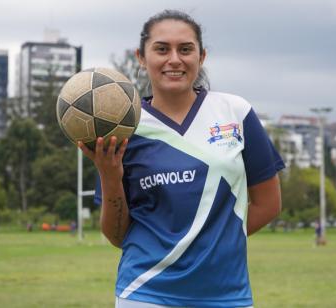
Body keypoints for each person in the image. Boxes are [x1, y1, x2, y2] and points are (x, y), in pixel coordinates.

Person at [78, 10, 285, 307]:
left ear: (201, 57)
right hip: (146, 290)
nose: (174, 59)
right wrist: (110, 176)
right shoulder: (124, 127)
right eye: (162, 49)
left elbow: (269, 204)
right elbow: (117, 235)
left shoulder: (235, 112)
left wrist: (211, 246)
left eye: (185, 49)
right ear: (141, 57)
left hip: (226, 294)